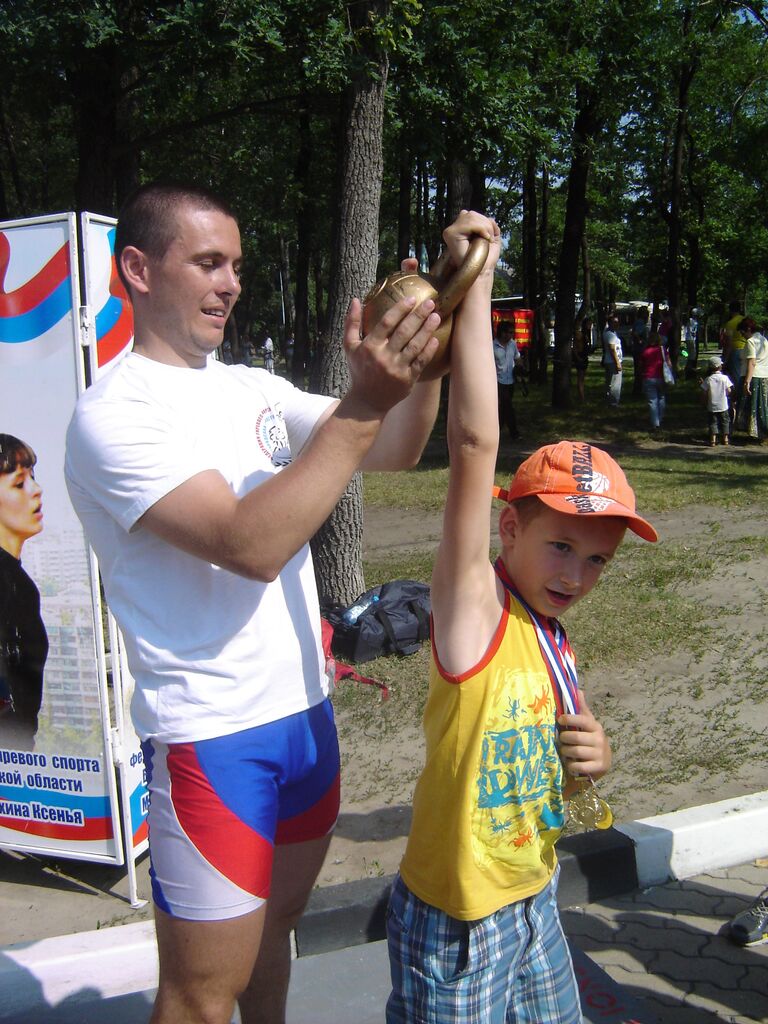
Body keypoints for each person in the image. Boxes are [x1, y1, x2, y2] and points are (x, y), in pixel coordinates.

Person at [64, 182, 452, 1024]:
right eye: (208, 262)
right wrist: (364, 400)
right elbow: (251, 544)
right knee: (202, 994)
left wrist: (426, 366)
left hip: (305, 719)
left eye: (236, 264)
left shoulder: (249, 389)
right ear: (136, 268)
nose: (231, 283)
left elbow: (392, 446)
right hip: (213, 740)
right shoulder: (111, 416)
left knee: (276, 932)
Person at [385, 212, 658, 1024]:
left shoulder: (548, 629)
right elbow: (474, 442)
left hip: (533, 892)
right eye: (562, 547)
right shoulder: (477, 610)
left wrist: (592, 752)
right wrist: (478, 283)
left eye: (598, 559)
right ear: (511, 528)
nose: (577, 574)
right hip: (457, 918)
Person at [0, 434, 48, 751]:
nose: (36, 490)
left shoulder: (18, 581)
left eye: (32, 477)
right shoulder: (8, 584)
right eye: (19, 483)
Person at [741, 317, 768, 442]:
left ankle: (758, 432)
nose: (742, 335)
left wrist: (747, 381)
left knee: (755, 406)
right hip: (765, 375)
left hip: (755, 376)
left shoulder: (751, 341)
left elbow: (752, 362)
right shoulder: (764, 340)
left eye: (742, 332)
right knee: (764, 405)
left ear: (748, 329)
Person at [493, 319, 521, 439]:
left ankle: (496, 431)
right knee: (508, 406)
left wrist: (520, 370)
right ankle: (514, 433)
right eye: (508, 332)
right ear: (502, 332)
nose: (510, 335)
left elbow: (517, 357)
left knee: (504, 408)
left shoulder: (513, 344)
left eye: (512, 332)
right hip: (498, 381)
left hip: (510, 380)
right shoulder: (492, 346)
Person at [700, 355, 733, 447]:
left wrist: (703, 401)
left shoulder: (708, 379)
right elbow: (729, 391)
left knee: (713, 422)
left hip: (712, 405)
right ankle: (725, 438)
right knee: (725, 421)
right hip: (723, 405)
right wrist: (726, 394)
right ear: (720, 366)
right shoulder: (724, 378)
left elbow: (704, 392)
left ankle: (713, 439)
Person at [638, 330, 667, 431]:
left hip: (648, 377)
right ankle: (661, 417)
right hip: (661, 376)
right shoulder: (662, 350)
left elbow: (641, 365)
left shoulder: (645, 351)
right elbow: (668, 363)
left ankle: (655, 423)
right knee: (662, 398)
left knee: (652, 401)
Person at [602, 315, 623, 405]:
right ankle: (613, 402)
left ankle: (609, 399)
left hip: (611, 361)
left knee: (610, 381)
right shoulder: (609, 334)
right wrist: (617, 362)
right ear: (610, 323)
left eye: (617, 322)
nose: (617, 324)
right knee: (615, 383)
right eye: (614, 322)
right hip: (612, 361)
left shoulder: (613, 333)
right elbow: (612, 349)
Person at [630, 306, 649, 397]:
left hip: (637, 350)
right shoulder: (640, 322)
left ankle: (637, 390)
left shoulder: (638, 322)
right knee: (639, 370)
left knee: (639, 370)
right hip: (639, 350)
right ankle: (637, 391)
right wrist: (639, 340)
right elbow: (635, 333)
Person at [572, 318, 590, 403]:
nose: (590, 326)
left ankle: (582, 396)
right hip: (580, 357)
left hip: (584, 357)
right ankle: (581, 398)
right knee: (580, 378)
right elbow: (575, 348)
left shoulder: (587, 334)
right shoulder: (579, 334)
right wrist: (578, 358)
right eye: (588, 324)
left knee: (582, 378)